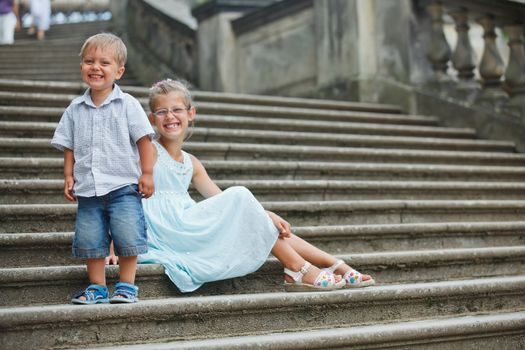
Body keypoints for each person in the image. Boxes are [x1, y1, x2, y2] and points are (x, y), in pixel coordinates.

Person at [107, 78, 375, 293]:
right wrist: (113, 245)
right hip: (163, 228)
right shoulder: (150, 151)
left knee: (253, 213)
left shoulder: (192, 162)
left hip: (183, 221)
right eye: (161, 112)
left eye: (177, 110)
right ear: (152, 119)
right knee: (242, 197)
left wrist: (263, 214)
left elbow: (220, 200)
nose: (170, 117)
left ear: (191, 113)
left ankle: (332, 263)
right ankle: (298, 267)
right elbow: (121, 194)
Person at [51, 33, 155, 304]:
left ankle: (127, 285)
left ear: (119, 71)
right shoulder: (74, 109)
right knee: (91, 240)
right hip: (88, 189)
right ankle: (97, 286)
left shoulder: (128, 104)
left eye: (104, 63)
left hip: (124, 187)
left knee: (128, 235)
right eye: (89, 61)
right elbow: (69, 146)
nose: (96, 67)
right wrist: (68, 175)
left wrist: (146, 173)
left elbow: (144, 140)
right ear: (82, 67)